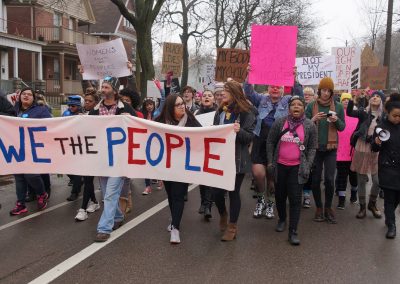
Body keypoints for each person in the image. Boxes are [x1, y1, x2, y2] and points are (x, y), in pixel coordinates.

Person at [267, 95, 317, 245]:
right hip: (280, 166)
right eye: (293, 105)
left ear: (303, 108)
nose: (296, 107)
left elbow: (312, 147)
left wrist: (308, 164)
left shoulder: (309, 125)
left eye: (299, 105)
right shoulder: (280, 122)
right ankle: (282, 218)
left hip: (297, 168)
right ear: (289, 108)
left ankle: (293, 231)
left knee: (295, 200)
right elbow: (270, 141)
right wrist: (270, 162)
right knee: (280, 196)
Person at [91, 76, 136, 242]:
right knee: (107, 193)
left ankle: (104, 228)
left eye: (107, 87)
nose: (103, 90)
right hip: (102, 159)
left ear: (115, 91)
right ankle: (118, 216)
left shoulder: (126, 108)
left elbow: (139, 126)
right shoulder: (95, 110)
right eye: (102, 87)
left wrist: (129, 120)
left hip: (119, 158)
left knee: (110, 194)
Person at [244, 70, 292, 220]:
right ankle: (260, 200)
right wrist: (249, 74)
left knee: (272, 177)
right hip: (259, 142)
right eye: (272, 86)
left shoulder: (287, 101)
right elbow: (248, 91)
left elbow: (300, 97)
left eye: (278, 87)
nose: (275, 89)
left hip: (278, 145)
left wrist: (294, 77)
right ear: (268, 88)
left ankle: (270, 203)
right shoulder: (261, 100)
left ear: (283, 89)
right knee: (258, 174)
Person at [155, 94, 202, 244]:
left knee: (178, 195)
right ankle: (174, 218)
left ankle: (175, 228)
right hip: (167, 165)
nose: (182, 106)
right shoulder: (160, 122)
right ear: (170, 108)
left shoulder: (190, 120)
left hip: (184, 166)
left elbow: (203, 135)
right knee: (170, 195)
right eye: (178, 104)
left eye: (183, 103)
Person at [213, 80, 256, 241]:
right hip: (220, 158)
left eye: (225, 90)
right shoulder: (220, 112)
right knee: (217, 193)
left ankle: (232, 226)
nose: (222, 93)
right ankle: (223, 213)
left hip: (238, 159)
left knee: (233, 192)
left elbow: (249, 137)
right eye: (222, 90)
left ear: (234, 92)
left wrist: (239, 131)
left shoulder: (247, 112)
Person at [305, 77, 345, 224]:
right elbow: (304, 125)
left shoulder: (338, 107)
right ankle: (319, 208)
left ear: (332, 92)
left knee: (329, 179)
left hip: (330, 149)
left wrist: (336, 120)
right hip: (315, 149)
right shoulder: (311, 106)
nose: (326, 93)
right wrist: (313, 119)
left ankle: (328, 207)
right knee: (315, 180)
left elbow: (342, 127)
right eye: (324, 90)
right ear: (319, 90)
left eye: (329, 90)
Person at [9, 87, 51, 215]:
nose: (26, 96)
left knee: (31, 175)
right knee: (19, 177)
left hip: (34, 150)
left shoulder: (41, 111)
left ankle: (42, 194)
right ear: (19, 96)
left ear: (33, 98)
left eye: (29, 94)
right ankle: (21, 204)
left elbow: (50, 126)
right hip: (16, 149)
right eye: (24, 94)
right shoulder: (13, 111)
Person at [347, 91, 384, 219]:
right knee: (361, 180)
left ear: (381, 101)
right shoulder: (363, 112)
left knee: (378, 180)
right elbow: (349, 112)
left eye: (378, 96)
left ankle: (372, 204)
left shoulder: (384, 116)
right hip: (362, 147)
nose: (375, 97)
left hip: (377, 149)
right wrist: (353, 100)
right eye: (373, 95)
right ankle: (362, 207)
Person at [372, 93, 400, 239]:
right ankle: (391, 225)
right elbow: (374, 148)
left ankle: (389, 216)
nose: (397, 118)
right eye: (395, 115)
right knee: (389, 198)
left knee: (396, 198)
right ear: (388, 113)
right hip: (387, 168)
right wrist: (376, 142)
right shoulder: (381, 127)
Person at [74, 91, 101, 221]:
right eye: (85, 100)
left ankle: (83, 209)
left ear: (95, 103)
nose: (87, 103)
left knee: (88, 179)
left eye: (90, 101)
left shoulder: (98, 115)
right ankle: (95, 202)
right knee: (88, 179)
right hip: (85, 151)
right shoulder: (81, 115)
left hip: (96, 151)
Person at [194, 89, 218, 220]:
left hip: (214, 148)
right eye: (204, 96)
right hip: (200, 148)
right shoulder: (196, 112)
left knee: (209, 177)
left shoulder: (219, 113)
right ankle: (203, 202)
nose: (207, 97)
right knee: (202, 178)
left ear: (214, 99)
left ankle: (207, 205)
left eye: (210, 95)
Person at [141, 80, 166, 195]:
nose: (149, 106)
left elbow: (164, 99)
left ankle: (161, 179)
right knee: (146, 165)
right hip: (146, 143)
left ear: (153, 105)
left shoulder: (157, 113)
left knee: (158, 163)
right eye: (147, 105)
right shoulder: (142, 116)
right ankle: (147, 186)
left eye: (151, 104)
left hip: (157, 142)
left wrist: (159, 87)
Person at [336, 93, 358, 209]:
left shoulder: (357, 114)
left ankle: (354, 193)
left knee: (353, 176)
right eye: (343, 99)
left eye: (348, 99)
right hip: (340, 150)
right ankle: (341, 199)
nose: (345, 101)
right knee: (341, 176)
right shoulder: (337, 114)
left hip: (354, 150)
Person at [302, 87, 316, 208]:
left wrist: (313, 119)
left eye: (309, 95)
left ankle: (306, 196)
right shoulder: (296, 106)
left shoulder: (316, 108)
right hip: (298, 142)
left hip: (311, 143)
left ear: (314, 96)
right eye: (305, 94)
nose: (306, 96)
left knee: (309, 169)